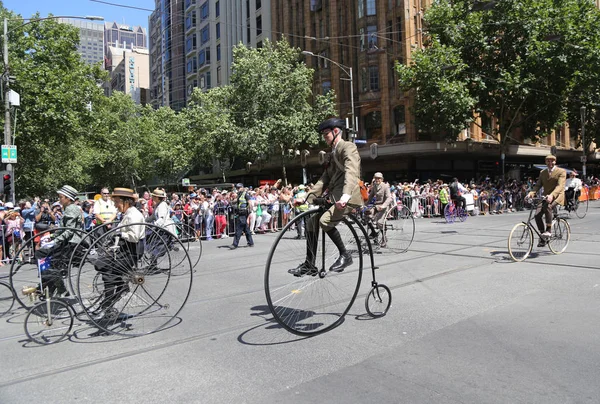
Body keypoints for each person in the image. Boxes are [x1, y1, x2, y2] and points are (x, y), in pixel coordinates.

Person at [289, 117, 363, 276]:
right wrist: (306, 197)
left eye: (326, 134)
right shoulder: (332, 154)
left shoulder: (348, 147)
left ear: (336, 132)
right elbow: (324, 179)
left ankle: (345, 255)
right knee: (311, 222)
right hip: (335, 196)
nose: (324, 137)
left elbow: (351, 172)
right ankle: (310, 264)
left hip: (348, 197)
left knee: (324, 220)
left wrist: (345, 197)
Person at [93, 187, 145, 319]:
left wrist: (119, 232)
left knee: (108, 272)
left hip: (132, 251)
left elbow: (134, 237)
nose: (115, 206)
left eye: (116, 202)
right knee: (100, 264)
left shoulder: (134, 215)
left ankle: (109, 303)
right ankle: (114, 293)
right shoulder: (128, 213)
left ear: (125, 201)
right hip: (124, 248)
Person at [34, 185, 83, 297]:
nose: (59, 199)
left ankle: (52, 287)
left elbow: (70, 230)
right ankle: (52, 287)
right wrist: (51, 236)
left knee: (43, 256)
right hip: (66, 241)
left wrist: (55, 241)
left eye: (61, 197)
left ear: (68, 198)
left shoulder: (72, 209)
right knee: (48, 261)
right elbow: (62, 229)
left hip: (71, 243)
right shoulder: (68, 209)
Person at [527, 154, 566, 247]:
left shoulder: (561, 171)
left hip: (557, 196)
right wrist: (531, 193)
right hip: (545, 196)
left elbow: (560, 186)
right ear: (545, 162)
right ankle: (543, 237)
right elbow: (538, 185)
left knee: (548, 206)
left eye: (552, 161)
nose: (550, 163)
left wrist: (552, 195)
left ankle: (548, 229)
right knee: (537, 215)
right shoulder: (542, 172)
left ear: (555, 162)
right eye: (548, 161)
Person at [365, 172, 392, 247]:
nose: (377, 180)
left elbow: (389, 198)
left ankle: (384, 238)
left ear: (382, 179)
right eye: (376, 178)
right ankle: (374, 232)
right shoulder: (374, 187)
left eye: (379, 178)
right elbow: (370, 197)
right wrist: (364, 205)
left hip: (384, 206)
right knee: (367, 215)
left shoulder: (385, 186)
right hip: (376, 206)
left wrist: (383, 206)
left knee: (379, 222)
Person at [229, 183, 254, 249]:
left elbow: (250, 203)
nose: (238, 189)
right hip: (239, 213)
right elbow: (235, 201)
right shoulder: (239, 194)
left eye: (239, 188)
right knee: (246, 229)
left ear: (242, 187)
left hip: (243, 213)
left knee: (238, 229)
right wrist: (231, 200)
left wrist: (250, 213)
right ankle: (250, 242)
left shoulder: (246, 194)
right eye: (237, 188)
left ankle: (235, 244)